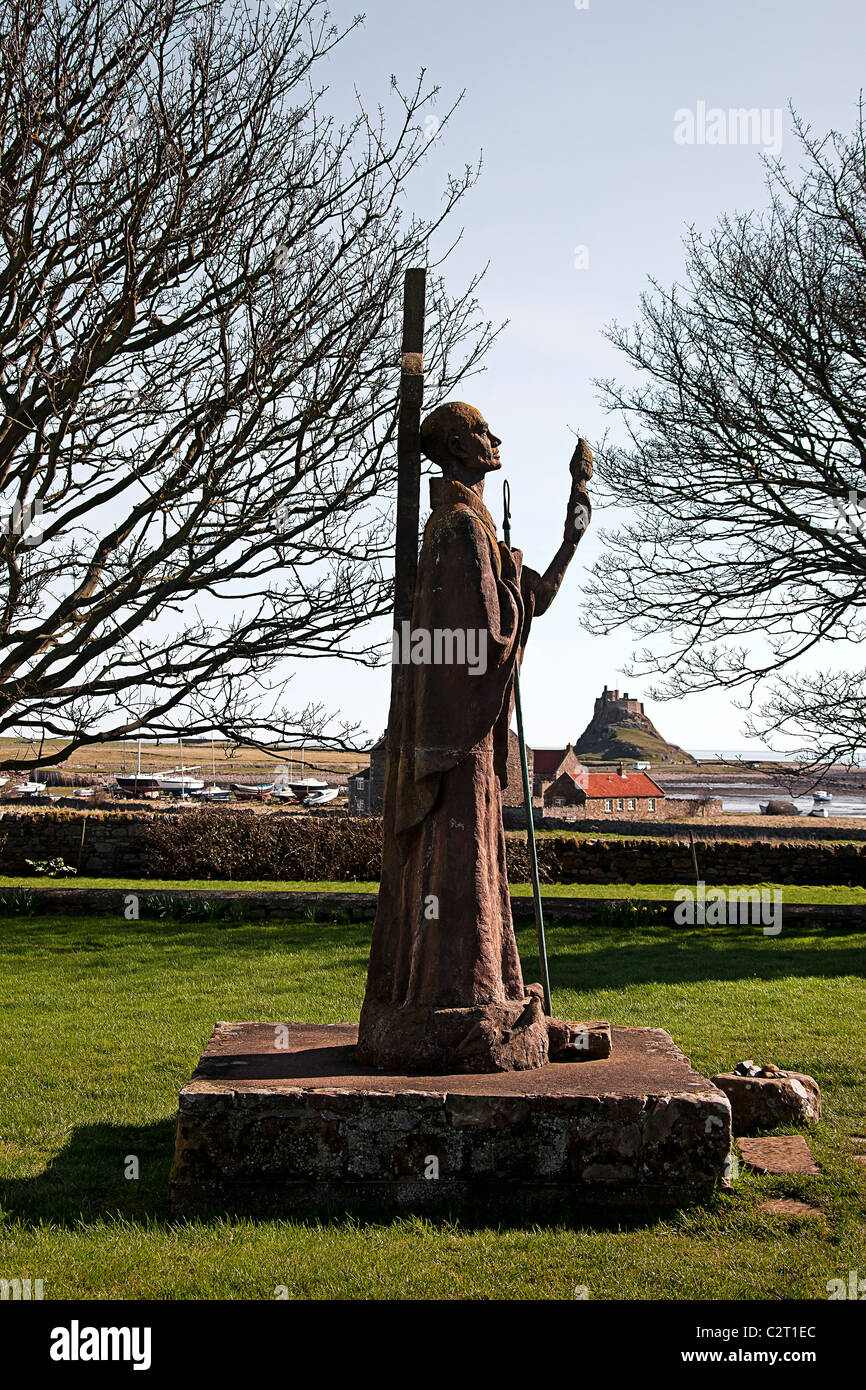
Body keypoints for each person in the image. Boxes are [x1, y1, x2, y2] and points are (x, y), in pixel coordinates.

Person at [356, 401, 593, 1071]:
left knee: (475, 872)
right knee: (459, 873)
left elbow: (528, 602)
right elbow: (482, 645)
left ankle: (473, 992)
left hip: (471, 744)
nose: (497, 439)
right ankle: (454, 1001)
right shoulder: (459, 529)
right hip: (460, 746)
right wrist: (511, 595)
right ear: (459, 445)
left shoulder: (470, 528)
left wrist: (573, 527)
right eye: (485, 431)